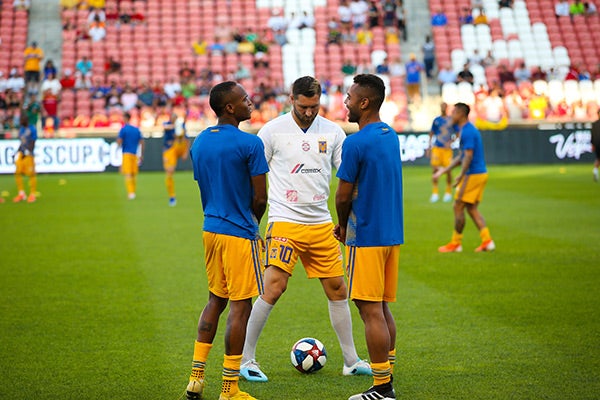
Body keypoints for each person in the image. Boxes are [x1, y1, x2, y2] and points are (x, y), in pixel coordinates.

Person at [240, 76, 371, 382]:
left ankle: (351, 360)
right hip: (285, 220)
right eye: (304, 106)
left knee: (338, 289)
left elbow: (346, 176)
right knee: (274, 287)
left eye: (314, 106)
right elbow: (255, 177)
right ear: (291, 99)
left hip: (321, 222)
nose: (309, 112)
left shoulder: (334, 132)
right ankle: (246, 359)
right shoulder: (272, 131)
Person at [184, 81, 268, 400]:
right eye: (244, 99)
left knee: (215, 300)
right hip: (238, 232)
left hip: (211, 228)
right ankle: (229, 389)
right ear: (229, 108)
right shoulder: (250, 144)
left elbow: (205, 184)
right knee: (240, 306)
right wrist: (252, 226)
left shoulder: (201, 141)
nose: (250, 101)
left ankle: (196, 378)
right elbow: (260, 198)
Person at [334, 74, 403, 400]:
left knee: (368, 309)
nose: (345, 102)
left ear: (364, 102)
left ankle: (382, 388)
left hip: (368, 236)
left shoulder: (355, 142)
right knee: (383, 307)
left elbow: (343, 196)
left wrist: (342, 225)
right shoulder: (390, 135)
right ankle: (387, 370)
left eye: (349, 97)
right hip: (392, 234)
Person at [434, 103, 495, 253]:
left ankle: (456, 243)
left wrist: (461, 175)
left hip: (473, 174)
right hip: (480, 173)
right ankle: (487, 241)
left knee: (458, 206)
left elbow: (468, 156)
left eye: (454, 112)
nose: (451, 115)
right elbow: (461, 156)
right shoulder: (466, 130)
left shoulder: (467, 131)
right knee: (471, 208)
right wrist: (444, 171)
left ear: (461, 114)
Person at [428, 103, 457, 203]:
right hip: (437, 147)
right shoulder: (436, 120)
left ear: (447, 108)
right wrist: (429, 146)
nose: (443, 108)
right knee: (435, 169)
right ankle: (435, 192)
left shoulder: (451, 120)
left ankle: (448, 192)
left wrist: (451, 142)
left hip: (447, 149)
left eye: (445, 107)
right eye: (442, 107)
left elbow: (457, 134)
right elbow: (431, 133)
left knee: (448, 170)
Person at [162, 113, 189, 206]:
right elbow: (166, 127)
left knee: (170, 171)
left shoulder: (181, 127)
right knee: (169, 172)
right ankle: (172, 196)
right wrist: (175, 126)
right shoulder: (168, 124)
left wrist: (185, 152)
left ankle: (172, 197)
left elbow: (186, 139)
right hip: (169, 150)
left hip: (177, 148)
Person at [116, 112, 144, 200]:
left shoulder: (123, 129)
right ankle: (133, 191)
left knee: (128, 174)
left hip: (127, 153)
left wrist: (118, 146)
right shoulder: (136, 129)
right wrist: (141, 154)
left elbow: (119, 141)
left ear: (125, 118)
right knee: (133, 174)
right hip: (135, 154)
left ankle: (131, 193)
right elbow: (142, 142)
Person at [12, 113, 38, 203]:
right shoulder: (21, 129)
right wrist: (17, 152)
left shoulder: (32, 129)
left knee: (31, 174)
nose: (20, 122)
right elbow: (22, 142)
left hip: (28, 154)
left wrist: (28, 152)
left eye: (21, 120)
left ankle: (32, 194)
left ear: (25, 120)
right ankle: (21, 193)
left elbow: (33, 142)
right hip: (21, 154)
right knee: (17, 172)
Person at [592, 109, 600, 182]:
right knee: (598, 159)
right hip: (597, 144)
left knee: (598, 159)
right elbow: (592, 135)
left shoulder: (594, 124)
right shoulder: (595, 124)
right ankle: (595, 172)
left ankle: (595, 171)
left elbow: (592, 136)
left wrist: (593, 144)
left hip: (596, 144)